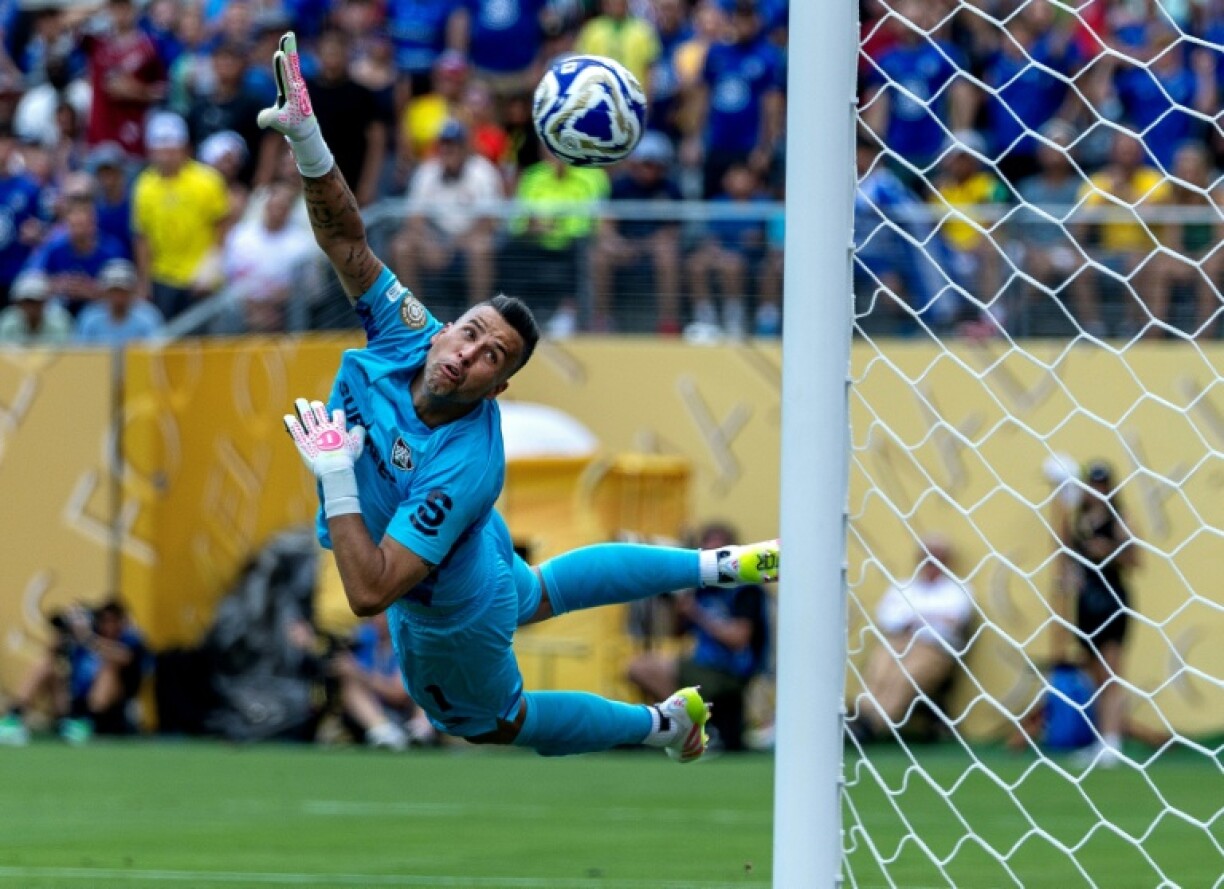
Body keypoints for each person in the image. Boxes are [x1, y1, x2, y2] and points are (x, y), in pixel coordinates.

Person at [257, 32, 779, 763]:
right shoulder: (411, 332)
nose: (466, 353)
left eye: (489, 357)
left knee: (491, 720)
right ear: (445, 328)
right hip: (478, 553)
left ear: (497, 387)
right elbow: (348, 241)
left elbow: (369, 591)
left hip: (451, 609)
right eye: (468, 332)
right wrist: (310, 141)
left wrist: (337, 472)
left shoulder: (466, 463)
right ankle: (722, 565)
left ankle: (659, 725)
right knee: (534, 591)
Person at [626, 521, 770, 752]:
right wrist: (676, 606)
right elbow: (677, 634)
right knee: (641, 666)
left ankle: (696, 729)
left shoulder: (745, 590)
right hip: (702, 662)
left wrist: (697, 613)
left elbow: (738, 639)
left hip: (730, 669)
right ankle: (694, 728)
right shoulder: (702, 589)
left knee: (642, 668)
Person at [848, 535, 974, 744]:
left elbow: (954, 620)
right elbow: (886, 617)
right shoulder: (903, 586)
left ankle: (873, 725)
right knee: (879, 672)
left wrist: (912, 616)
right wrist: (930, 617)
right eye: (926, 557)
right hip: (896, 641)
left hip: (933, 649)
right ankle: (860, 717)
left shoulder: (957, 589)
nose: (930, 563)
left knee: (905, 678)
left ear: (946, 561)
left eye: (937, 558)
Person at [1063, 461, 1139, 768]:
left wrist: (1106, 551)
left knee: (1111, 673)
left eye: (1103, 484)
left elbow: (1136, 559)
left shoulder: (1120, 518)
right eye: (1093, 485)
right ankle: (1101, 739)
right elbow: (1068, 558)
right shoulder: (1079, 521)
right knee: (1093, 675)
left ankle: (1113, 740)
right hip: (1085, 602)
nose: (1098, 491)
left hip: (1111, 600)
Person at [390, 118, 503, 315]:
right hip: (435, 236)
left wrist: (454, 244)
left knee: (480, 247)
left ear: (465, 147)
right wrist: (431, 242)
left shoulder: (482, 171)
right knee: (402, 246)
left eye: (453, 144)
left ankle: (476, 317)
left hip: (470, 236)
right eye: (444, 144)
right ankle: (415, 317)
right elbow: (414, 218)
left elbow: (489, 221)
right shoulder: (427, 171)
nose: (448, 150)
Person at [0, 599, 148, 746]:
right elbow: (52, 653)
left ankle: (86, 724)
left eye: (112, 621)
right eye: (105, 621)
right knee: (45, 664)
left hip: (106, 713)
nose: (108, 626)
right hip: (72, 705)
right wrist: (63, 635)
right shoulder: (79, 639)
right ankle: (13, 718)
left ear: (121, 622)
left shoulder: (129, 639)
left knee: (108, 669)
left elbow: (125, 657)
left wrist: (89, 638)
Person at [131, 110, 231, 320]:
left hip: (199, 276)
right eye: (161, 149)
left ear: (184, 148)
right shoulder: (144, 186)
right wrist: (144, 280)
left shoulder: (207, 180)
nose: (166, 155)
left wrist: (212, 265)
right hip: (163, 276)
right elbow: (142, 236)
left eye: (172, 149)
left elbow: (222, 225)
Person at [331, 611, 436, 751]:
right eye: (375, 615)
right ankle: (382, 730)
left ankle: (420, 731)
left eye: (383, 614)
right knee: (350, 683)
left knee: (425, 678)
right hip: (375, 706)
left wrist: (358, 672)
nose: (377, 619)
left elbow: (398, 693)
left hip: (408, 706)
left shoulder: (408, 639)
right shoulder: (363, 639)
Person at [74, 258, 165, 345]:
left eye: (122, 291)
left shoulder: (148, 316)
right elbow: (81, 353)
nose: (118, 296)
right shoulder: (90, 317)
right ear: (104, 292)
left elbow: (155, 353)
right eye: (114, 291)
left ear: (132, 291)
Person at [0, 269, 73, 346]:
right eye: (27, 301)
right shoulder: (7, 321)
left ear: (45, 302)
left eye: (36, 301)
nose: (31, 307)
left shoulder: (60, 322)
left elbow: (65, 351)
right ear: (18, 303)